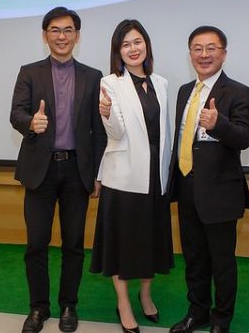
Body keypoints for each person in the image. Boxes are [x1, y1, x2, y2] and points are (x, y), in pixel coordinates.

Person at [10, 6, 106, 333]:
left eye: (68, 30)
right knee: (36, 244)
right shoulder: (29, 72)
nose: (61, 36)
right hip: (40, 170)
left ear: (77, 36)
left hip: (77, 170)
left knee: (73, 244)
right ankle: (38, 308)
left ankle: (68, 306)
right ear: (45, 35)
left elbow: (98, 130)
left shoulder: (93, 76)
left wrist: (97, 174)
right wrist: (30, 123)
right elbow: (16, 114)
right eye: (55, 30)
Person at [167, 26, 249, 333]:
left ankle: (222, 320)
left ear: (224, 53)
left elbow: (243, 138)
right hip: (186, 186)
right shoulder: (184, 91)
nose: (204, 55)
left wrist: (219, 124)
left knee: (222, 262)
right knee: (194, 259)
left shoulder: (239, 92)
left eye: (211, 48)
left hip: (220, 192)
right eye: (197, 48)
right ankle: (198, 313)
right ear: (190, 54)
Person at [90, 19, 174, 333]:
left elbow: (165, 132)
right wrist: (107, 113)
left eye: (138, 42)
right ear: (118, 51)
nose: (133, 49)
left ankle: (146, 294)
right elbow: (116, 133)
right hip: (124, 176)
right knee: (122, 244)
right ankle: (123, 303)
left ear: (146, 45)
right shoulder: (110, 83)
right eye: (126, 44)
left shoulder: (161, 83)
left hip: (155, 175)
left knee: (151, 239)